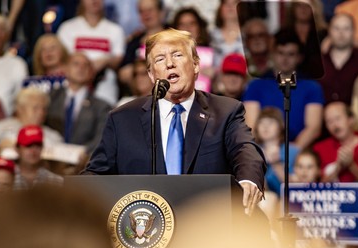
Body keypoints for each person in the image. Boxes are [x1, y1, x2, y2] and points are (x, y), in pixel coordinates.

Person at [83, 28, 266, 216]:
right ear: (152, 75)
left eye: (177, 55)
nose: (170, 63)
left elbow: (245, 150)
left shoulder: (225, 111)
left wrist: (248, 180)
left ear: (195, 65)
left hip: (206, 224)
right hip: (146, 232)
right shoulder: (122, 119)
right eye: (160, 59)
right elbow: (96, 173)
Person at [242, 29, 324, 150]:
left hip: (300, 154)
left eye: (291, 54)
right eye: (281, 53)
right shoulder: (256, 85)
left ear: (299, 57)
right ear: (273, 54)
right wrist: (265, 152)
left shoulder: (312, 87)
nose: (285, 59)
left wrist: (290, 153)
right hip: (263, 151)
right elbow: (251, 127)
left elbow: (314, 128)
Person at [57, 0, 125, 106]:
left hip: (104, 85)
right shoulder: (67, 28)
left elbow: (118, 59)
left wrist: (105, 60)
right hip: (73, 85)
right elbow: (63, 59)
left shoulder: (115, 30)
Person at [45, 52, 111, 154]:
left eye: (86, 65)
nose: (81, 68)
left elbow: (101, 138)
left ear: (91, 73)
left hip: (83, 163)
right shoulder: (50, 98)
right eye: (76, 64)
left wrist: (80, 154)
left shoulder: (102, 107)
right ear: (66, 69)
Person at [0, 87, 63, 165]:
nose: (41, 112)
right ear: (20, 108)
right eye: (35, 108)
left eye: (44, 109)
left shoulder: (54, 136)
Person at [319, 13, 358, 106]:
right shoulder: (316, 63)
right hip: (322, 117)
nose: (341, 33)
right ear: (329, 31)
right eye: (336, 28)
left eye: (346, 28)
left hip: (356, 118)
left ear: (354, 32)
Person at [313, 102, 358, 182]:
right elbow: (317, 189)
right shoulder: (319, 149)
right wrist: (338, 167)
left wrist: (351, 165)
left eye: (338, 118)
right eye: (329, 121)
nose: (335, 125)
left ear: (351, 119)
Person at [0, 12, 28, 116]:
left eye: (2, 29)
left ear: (8, 35)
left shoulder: (18, 64)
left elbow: (22, 100)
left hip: (7, 123)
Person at [253, 107, 299, 197]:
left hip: (287, 202)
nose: (265, 127)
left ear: (280, 127)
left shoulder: (294, 151)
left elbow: (296, 188)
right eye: (261, 123)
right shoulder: (252, 151)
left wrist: (276, 163)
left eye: (270, 122)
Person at [14, 125, 63, 190]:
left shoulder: (56, 181)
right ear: (17, 148)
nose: (33, 150)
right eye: (29, 145)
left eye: (38, 145)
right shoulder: (6, 178)